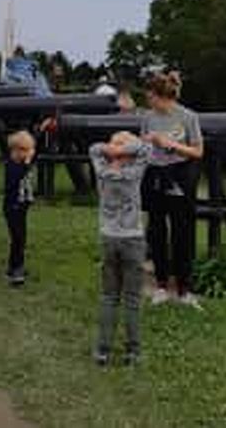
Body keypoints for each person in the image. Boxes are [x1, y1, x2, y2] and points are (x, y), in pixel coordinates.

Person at [141, 70, 204, 309]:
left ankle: (184, 288)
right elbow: (144, 146)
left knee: (182, 232)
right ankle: (160, 285)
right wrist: (145, 145)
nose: (147, 100)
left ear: (160, 95)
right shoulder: (148, 117)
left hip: (180, 175)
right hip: (155, 173)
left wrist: (172, 145)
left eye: (149, 95)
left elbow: (198, 152)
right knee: (156, 231)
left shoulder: (188, 117)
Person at [89, 131, 152, 367]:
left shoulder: (102, 170)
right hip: (133, 239)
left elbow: (94, 148)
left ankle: (102, 351)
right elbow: (146, 149)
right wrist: (125, 148)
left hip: (108, 237)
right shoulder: (134, 173)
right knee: (133, 299)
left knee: (108, 297)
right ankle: (133, 352)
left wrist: (111, 149)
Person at [2, 130, 36, 286]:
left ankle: (13, 265)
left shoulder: (23, 163)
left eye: (29, 150)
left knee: (21, 237)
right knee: (18, 238)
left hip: (22, 207)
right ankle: (16, 268)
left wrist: (42, 130)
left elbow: (38, 147)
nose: (28, 154)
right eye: (25, 150)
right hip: (13, 207)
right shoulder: (12, 165)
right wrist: (26, 165)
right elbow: (14, 181)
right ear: (15, 150)